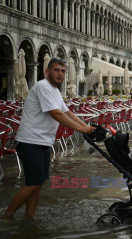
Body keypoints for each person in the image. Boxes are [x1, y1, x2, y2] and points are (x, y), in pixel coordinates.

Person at [2, 59, 95, 222]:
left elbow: (66, 112)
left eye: (63, 71)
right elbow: (56, 114)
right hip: (30, 142)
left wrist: (86, 126)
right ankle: (7, 216)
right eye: (57, 70)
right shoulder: (43, 86)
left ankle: (29, 217)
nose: (60, 73)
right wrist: (81, 129)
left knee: (37, 184)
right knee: (33, 183)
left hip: (42, 142)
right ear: (48, 71)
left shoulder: (55, 91)